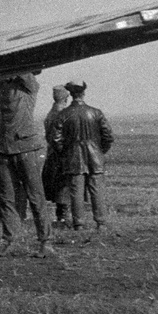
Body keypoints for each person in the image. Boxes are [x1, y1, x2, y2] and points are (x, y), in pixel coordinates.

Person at [0, 73, 54, 257]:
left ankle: (43, 242)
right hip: (12, 149)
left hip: (18, 149)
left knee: (31, 196)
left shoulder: (29, 86)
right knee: (10, 197)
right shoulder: (5, 93)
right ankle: (12, 240)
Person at [49, 80, 115, 232]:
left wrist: (65, 153)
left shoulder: (63, 114)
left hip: (73, 157)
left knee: (76, 191)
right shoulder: (96, 112)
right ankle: (101, 223)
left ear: (71, 94)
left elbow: (56, 139)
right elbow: (108, 136)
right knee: (97, 190)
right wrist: (99, 151)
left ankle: (79, 224)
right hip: (95, 157)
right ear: (83, 93)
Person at [42, 85, 71, 227]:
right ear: (66, 98)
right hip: (60, 154)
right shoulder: (62, 114)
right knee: (63, 186)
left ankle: (61, 216)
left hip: (52, 153)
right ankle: (63, 217)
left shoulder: (51, 113)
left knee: (60, 186)